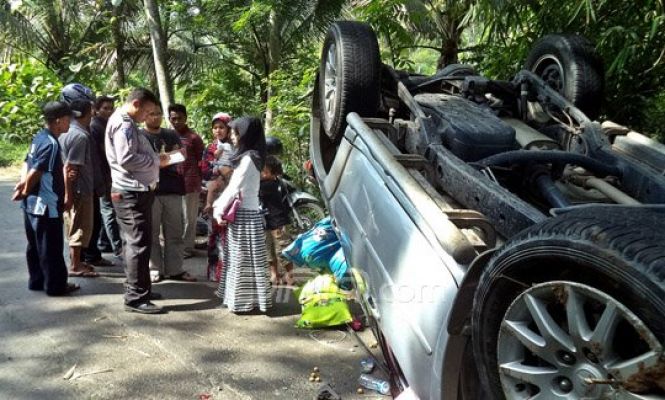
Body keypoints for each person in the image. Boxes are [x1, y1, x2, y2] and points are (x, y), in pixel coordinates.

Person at [106, 88, 168, 314]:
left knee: (138, 241)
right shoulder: (124, 124)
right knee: (137, 243)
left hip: (137, 190)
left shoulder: (128, 122)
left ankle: (141, 288)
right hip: (130, 192)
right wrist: (155, 161)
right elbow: (127, 158)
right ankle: (135, 298)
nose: (148, 117)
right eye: (148, 111)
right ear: (136, 104)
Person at [12, 101, 80, 295]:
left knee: (35, 244)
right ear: (58, 121)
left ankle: (37, 280)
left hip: (31, 206)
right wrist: (25, 188)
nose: (70, 123)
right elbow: (37, 170)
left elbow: (27, 162)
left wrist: (22, 185)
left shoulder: (39, 137)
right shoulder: (51, 144)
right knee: (51, 247)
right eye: (68, 119)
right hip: (46, 205)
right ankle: (56, 286)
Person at [213, 116, 271, 313]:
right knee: (249, 260)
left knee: (241, 260)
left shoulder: (248, 158)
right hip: (248, 213)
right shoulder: (254, 156)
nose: (233, 137)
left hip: (245, 215)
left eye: (236, 133)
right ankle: (252, 300)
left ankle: (242, 302)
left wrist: (218, 208)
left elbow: (234, 187)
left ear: (247, 135)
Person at [140, 105, 196, 283]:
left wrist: (158, 160)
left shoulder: (170, 134)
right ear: (144, 116)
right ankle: (154, 268)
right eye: (151, 114)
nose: (155, 117)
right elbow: (141, 161)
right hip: (151, 190)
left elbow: (182, 155)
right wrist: (163, 160)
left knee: (175, 231)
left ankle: (176, 269)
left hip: (173, 188)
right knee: (152, 232)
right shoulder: (140, 136)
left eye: (158, 114)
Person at [59, 83, 100, 278]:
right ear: (88, 112)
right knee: (79, 228)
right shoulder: (80, 136)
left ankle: (77, 261)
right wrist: (69, 195)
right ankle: (75, 265)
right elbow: (70, 168)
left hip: (77, 189)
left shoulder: (67, 131)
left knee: (76, 226)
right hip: (79, 190)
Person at [202, 112, 235, 281]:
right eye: (215, 128)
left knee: (231, 234)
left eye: (221, 127)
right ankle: (215, 271)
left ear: (229, 128)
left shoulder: (236, 146)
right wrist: (218, 172)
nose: (218, 131)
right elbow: (205, 170)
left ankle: (231, 271)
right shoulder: (210, 149)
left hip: (234, 196)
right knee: (214, 233)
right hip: (215, 196)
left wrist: (229, 174)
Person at [168, 104, 204, 258]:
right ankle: (175, 247)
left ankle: (187, 248)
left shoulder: (194, 138)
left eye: (179, 118)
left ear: (185, 118)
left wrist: (201, 182)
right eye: (173, 118)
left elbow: (202, 160)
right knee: (174, 218)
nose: (176, 121)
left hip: (191, 181)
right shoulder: (167, 135)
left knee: (189, 218)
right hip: (172, 182)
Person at [91, 95, 122, 261]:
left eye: (111, 108)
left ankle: (105, 242)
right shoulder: (96, 126)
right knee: (109, 210)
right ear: (96, 110)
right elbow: (107, 150)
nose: (109, 111)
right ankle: (118, 247)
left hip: (109, 172)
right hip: (103, 174)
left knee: (107, 210)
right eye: (105, 108)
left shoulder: (107, 124)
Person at [260, 155, 295, 286]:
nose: (261, 174)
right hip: (268, 223)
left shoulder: (269, 185)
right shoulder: (269, 183)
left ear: (274, 173)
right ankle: (274, 275)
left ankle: (289, 275)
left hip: (278, 223)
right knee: (269, 251)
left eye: (265, 172)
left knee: (282, 250)